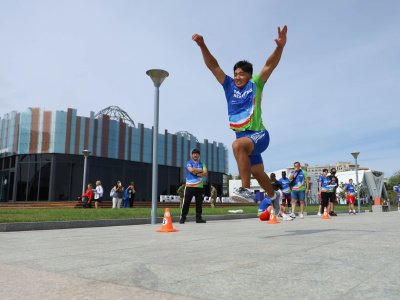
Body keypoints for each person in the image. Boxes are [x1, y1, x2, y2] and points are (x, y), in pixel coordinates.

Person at [192, 25, 287, 203]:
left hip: (259, 135)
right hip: (245, 139)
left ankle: (245, 190)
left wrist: (279, 47)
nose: (237, 77)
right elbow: (214, 66)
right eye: (235, 74)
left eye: (241, 74)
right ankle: (275, 197)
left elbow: (269, 65)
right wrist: (203, 46)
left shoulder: (256, 84)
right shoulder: (228, 86)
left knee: (237, 145)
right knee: (257, 172)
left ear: (250, 76)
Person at [179, 149, 208, 224]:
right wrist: (200, 170)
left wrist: (197, 173)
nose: (195, 155)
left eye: (197, 154)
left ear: (199, 155)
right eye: (194, 154)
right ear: (192, 155)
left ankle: (198, 219)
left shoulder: (202, 164)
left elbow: (205, 173)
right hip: (189, 186)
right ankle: (182, 218)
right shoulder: (189, 163)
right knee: (186, 203)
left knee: (199, 204)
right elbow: (191, 170)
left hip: (199, 187)